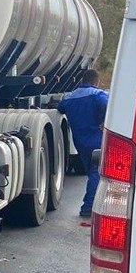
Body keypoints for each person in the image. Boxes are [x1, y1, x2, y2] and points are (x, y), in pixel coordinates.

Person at [58, 68, 109, 218]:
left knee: (92, 173)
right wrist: (103, 121)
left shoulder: (70, 97)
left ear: (82, 80)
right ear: (96, 81)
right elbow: (108, 106)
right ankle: (88, 208)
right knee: (96, 173)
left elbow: (60, 108)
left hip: (79, 141)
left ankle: (92, 205)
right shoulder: (97, 95)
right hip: (96, 140)